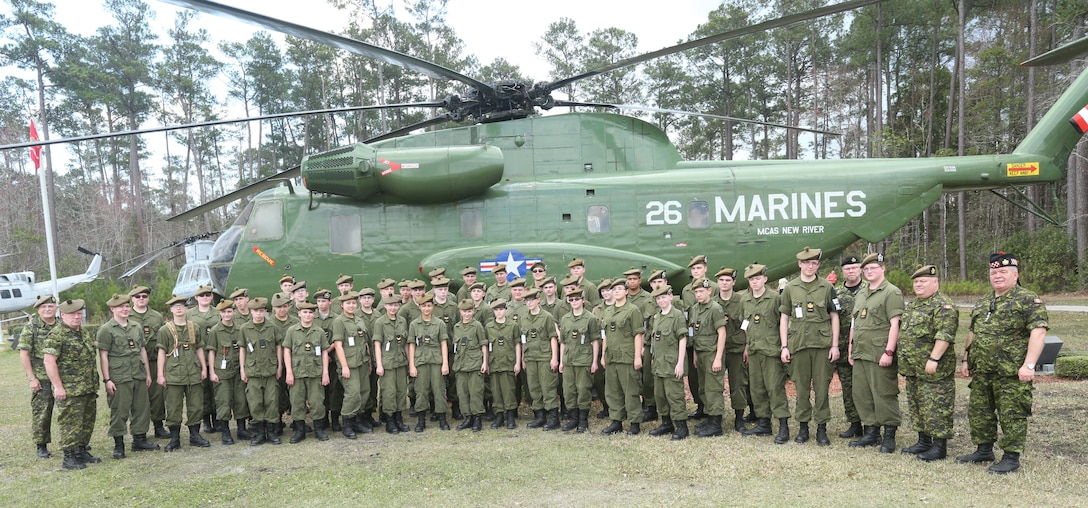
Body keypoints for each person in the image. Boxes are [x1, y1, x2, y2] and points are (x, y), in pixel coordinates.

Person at [958, 252, 1048, 474]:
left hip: (1011, 372)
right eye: (993, 272)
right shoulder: (984, 301)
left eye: (1003, 272)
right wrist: (966, 358)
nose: (997, 276)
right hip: (983, 370)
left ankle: (1011, 457)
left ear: (1015, 275)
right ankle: (984, 449)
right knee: (980, 412)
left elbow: (1038, 332)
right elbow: (974, 331)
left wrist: (1028, 365)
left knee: (1012, 415)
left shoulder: (1028, 299)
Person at [779, 246, 840, 446]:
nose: (810, 266)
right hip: (799, 345)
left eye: (814, 263)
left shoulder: (827, 287)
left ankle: (822, 428)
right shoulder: (790, 288)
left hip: (822, 345)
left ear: (818, 265)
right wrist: (784, 346)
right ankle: (803, 427)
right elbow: (784, 317)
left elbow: (834, 316)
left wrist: (834, 345)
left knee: (822, 389)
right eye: (806, 263)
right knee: (801, 388)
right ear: (799, 264)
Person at [898, 265, 958, 461]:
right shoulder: (914, 305)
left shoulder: (943, 305)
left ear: (935, 283)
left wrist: (934, 358)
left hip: (934, 369)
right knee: (918, 405)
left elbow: (945, 335)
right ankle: (923, 441)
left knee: (937, 406)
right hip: (914, 368)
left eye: (923, 281)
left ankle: (939, 446)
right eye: (916, 282)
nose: (919, 285)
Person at [847, 253, 904, 453]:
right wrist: (850, 347)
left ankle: (889, 435)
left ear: (883, 268)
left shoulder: (891, 292)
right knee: (861, 393)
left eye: (874, 268)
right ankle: (871, 432)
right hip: (861, 351)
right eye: (867, 269)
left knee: (884, 393)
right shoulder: (861, 293)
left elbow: (895, 324)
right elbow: (855, 321)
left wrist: (889, 351)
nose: (870, 272)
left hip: (879, 352)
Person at [97, 293, 157, 458]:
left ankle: (139, 440)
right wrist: (107, 379)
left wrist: (148, 374)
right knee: (120, 410)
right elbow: (103, 356)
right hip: (119, 375)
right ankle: (119, 445)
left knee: (141, 408)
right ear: (112, 309)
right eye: (120, 307)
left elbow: (142, 350)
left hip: (138, 373)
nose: (124, 309)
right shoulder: (106, 330)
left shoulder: (136, 326)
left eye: (126, 306)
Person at [43, 299, 99, 470]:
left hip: (87, 387)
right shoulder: (57, 334)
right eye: (72, 314)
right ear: (63, 315)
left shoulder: (82, 332)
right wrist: (58, 386)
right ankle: (69, 456)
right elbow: (49, 361)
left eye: (79, 313)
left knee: (87, 422)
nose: (77, 317)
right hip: (70, 389)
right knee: (70, 423)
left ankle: (81, 450)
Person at [740, 264, 790, 441]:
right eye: (752, 279)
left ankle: (783, 425)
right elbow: (746, 325)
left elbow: (782, 323)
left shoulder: (775, 298)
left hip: (771, 350)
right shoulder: (744, 300)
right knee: (757, 388)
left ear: (765, 279)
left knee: (774, 387)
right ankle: (764, 424)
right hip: (754, 350)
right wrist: (746, 346)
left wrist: (784, 346)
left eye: (758, 278)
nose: (755, 282)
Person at [157, 295, 210, 451]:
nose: (179, 308)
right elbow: (162, 352)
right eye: (175, 306)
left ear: (187, 308)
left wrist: (204, 367)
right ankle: (175, 438)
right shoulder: (165, 330)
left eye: (181, 305)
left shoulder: (195, 327)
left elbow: (199, 348)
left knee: (196, 405)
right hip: (174, 373)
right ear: (171, 309)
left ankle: (195, 435)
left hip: (193, 371)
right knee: (173, 407)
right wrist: (160, 374)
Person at [600, 278, 645, 436]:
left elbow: (638, 334)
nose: (617, 291)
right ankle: (616, 421)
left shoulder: (633, 310)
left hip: (627, 356)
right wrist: (602, 355)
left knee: (630, 391)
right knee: (612, 391)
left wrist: (638, 356)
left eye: (620, 289)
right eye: (614, 289)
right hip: (612, 356)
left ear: (626, 291)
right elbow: (605, 335)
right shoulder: (608, 311)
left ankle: (634, 423)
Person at [283, 301, 332, 443]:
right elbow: (287, 351)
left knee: (317, 402)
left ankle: (319, 429)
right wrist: (289, 372)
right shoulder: (292, 331)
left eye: (310, 312)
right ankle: (299, 430)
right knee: (297, 402)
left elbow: (324, 352)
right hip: (297, 373)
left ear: (314, 314)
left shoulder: (319, 332)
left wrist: (325, 373)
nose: (307, 315)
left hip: (315, 373)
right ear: (299, 314)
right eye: (305, 312)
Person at [207, 299, 253, 445]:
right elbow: (212, 351)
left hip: (238, 370)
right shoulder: (215, 331)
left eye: (229, 311)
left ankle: (241, 429)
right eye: (224, 312)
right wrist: (212, 372)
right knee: (224, 401)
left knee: (240, 399)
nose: (227, 314)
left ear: (234, 312)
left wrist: (244, 369)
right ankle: (225, 432)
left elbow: (244, 350)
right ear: (219, 313)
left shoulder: (240, 329)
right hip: (222, 372)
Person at [18, 295, 58, 459]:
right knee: (42, 413)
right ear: (38, 309)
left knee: (70, 412)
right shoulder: (31, 327)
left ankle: (75, 441)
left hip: (65, 377)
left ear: (56, 308)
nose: (47, 309)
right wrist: (32, 378)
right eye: (43, 307)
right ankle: (41, 445)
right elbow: (24, 354)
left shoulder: (63, 325)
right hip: (42, 379)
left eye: (50, 306)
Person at [238, 297, 283, 445]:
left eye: (261, 311)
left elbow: (278, 347)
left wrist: (280, 366)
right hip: (253, 372)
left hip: (270, 371)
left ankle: (271, 432)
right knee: (255, 402)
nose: (258, 314)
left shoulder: (272, 327)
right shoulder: (245, 328)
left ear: (265, 311)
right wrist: (243, 370)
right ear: (251, 312)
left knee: (271, 401)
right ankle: (259, 433)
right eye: (256, 311)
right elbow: (242, 349)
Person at [647, 285, 689, 440]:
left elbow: (682, 339)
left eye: (664, 297)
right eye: (658, 298)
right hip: (658, 363)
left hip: (672, 364)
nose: (661, 300)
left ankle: (682, 427)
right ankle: (666, 423)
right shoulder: (657, 317)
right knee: (660, 395)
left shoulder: (677, 315)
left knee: (674, 395)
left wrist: (680, 363)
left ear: (671, 297)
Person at [128, 285, 169, 438]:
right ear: (132, 299)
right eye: (137, 297)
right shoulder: (127, 315)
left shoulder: (156, 317)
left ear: (148, 298)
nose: (141, 299)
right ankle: (140, 430)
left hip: (154, 360)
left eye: (144, 296)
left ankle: (159, 426)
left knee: (158, 395)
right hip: (134, 363)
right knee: (138, 398)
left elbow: (163, 339)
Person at [688, 277, 727, 437]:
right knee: (703, 387)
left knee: (713, 388)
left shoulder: (715, 308)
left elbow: (722, 333)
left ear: (709, 291)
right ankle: (710, 418)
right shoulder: (695, 309)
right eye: (696, 292)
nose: (698, 294)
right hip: (701, 353)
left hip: (712, 354)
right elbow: (695, 333)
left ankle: (716, 424)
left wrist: (718, 358)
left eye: (701, 291)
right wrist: (696, 354)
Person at [714, 267, 751, 432]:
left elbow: (746, 326)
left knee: (738, 384)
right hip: (717, 351)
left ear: (734, 282)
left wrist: (747, 346)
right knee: (715, 385)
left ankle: (739, 418)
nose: (724, 283)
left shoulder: (741, 301)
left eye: (728, 280)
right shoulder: (712, 302)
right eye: (721, 280)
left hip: (737, 349)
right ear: (717, 282)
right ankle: (715, 416)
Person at [558, 289, 600, 433]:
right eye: (571, 300)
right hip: (569, 359)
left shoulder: (590, 318)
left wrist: (594, 361)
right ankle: (573, 418)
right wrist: (561, 361)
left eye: (577, 299)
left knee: (583, 389)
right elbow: (563, 342)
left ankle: (583, 419)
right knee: (569, 390)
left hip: (584, 359)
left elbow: (595, 341)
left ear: (583, 300)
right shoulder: (565, 319)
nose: (574, 302)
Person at [332, 291, 373, 439]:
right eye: (348, 303)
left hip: (362, 362)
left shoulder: (359, 319)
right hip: (349, 364)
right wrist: (344, 366)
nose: (351, 306)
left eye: (353, 303)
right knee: (352, 393)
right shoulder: (339, 321)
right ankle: (347, 423)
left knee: (364, 391)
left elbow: (365, 341)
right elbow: (338, 345)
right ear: (342, 305)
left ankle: (358, 421)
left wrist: (368, 361)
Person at [520, 288, 561, 430]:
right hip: (530, 357)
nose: (529, 303)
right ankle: (540, 417)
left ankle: (554, 418)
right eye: (527, 300)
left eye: (532, 300)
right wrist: (523, 358)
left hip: (545, 357)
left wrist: (554, 358)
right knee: (534, 387)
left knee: (547, 387)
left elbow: (553, 337)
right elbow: (523, 339)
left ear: (538, 300)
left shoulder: (547, 317)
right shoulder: (524, 318)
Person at [408, 293, 451, 431]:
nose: (426, 309)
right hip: (420, 360)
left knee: (439, 389)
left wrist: (445, 363)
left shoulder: (439, 323)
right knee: (421, 390)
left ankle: (442, 418)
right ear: (419, 307)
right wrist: (411, 365)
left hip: (436, 360)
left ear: (433, 306)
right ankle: (421, 420)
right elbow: (412, 345)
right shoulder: (414, 324)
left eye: (429, 306)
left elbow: (443, 343)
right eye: (424, 306)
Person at [833, 256, 863, 438]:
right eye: (847, 269)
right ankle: (855, 423)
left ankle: (872, 424)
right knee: (848, 388)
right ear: (842, 272)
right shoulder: (835, 293)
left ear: (860, 269)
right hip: (844, 350)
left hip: (866, 349)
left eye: (854, 268)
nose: (851, 271)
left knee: (867, 388)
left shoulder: (870, 289)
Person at [372, 296, 410, 434]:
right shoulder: (380, 322)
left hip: (400, 361)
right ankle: (389, 420)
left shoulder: (402, 321)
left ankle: (399, 418)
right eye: (390, 305)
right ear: (385, 306)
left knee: (401, 391)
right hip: (387, 362)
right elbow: (377, 344)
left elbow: (405, 343)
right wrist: (379, 365)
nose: (393, 308)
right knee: (389, 392)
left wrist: (409, 362)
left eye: (395, 305)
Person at [186, 285, 219, 434]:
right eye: (202, 295)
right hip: (197, 357)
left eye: (208, 295)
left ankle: (217, 418)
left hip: (217, 356)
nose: (205, 297)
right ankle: (206, 419)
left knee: (217, 389)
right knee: (202, 391)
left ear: (212, 296)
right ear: (196, 298)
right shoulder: (189, 315)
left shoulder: (218, 313)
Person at [452, 299, 489, 431]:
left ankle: (477, 418)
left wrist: (485, 362)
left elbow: (483, 344)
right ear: (460, 312)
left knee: (475, 392)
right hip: (461, 365)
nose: (467, 314)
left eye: (469, 311)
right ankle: (467, 417)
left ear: (473, 311)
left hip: (475, 364)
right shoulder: (456, 327)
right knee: (462, 393)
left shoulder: (477, 326)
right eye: (464, 311)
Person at [486, 299, 521, 429]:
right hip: (494, 363)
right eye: (496, 310)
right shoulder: (489, 327)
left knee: (509, 390)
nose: (499, 312)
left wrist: (517, 362)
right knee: (496, 390)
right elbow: (487, 346)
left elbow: (517, 344)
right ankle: (499, 415)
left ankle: (510, 416)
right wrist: (486, 363)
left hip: (508, 362)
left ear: (506, 310)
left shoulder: (513, 325)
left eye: (501, 309)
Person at [682, 255, 708, 420]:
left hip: (708, 339)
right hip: (692, 338)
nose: (696, 271)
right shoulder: (686, 290)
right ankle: (700, 406)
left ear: (705, 268)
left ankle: (711, 408)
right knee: (693, 376)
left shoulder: (712, 287)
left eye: (699, 268)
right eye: (693, 269)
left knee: (709, 376)